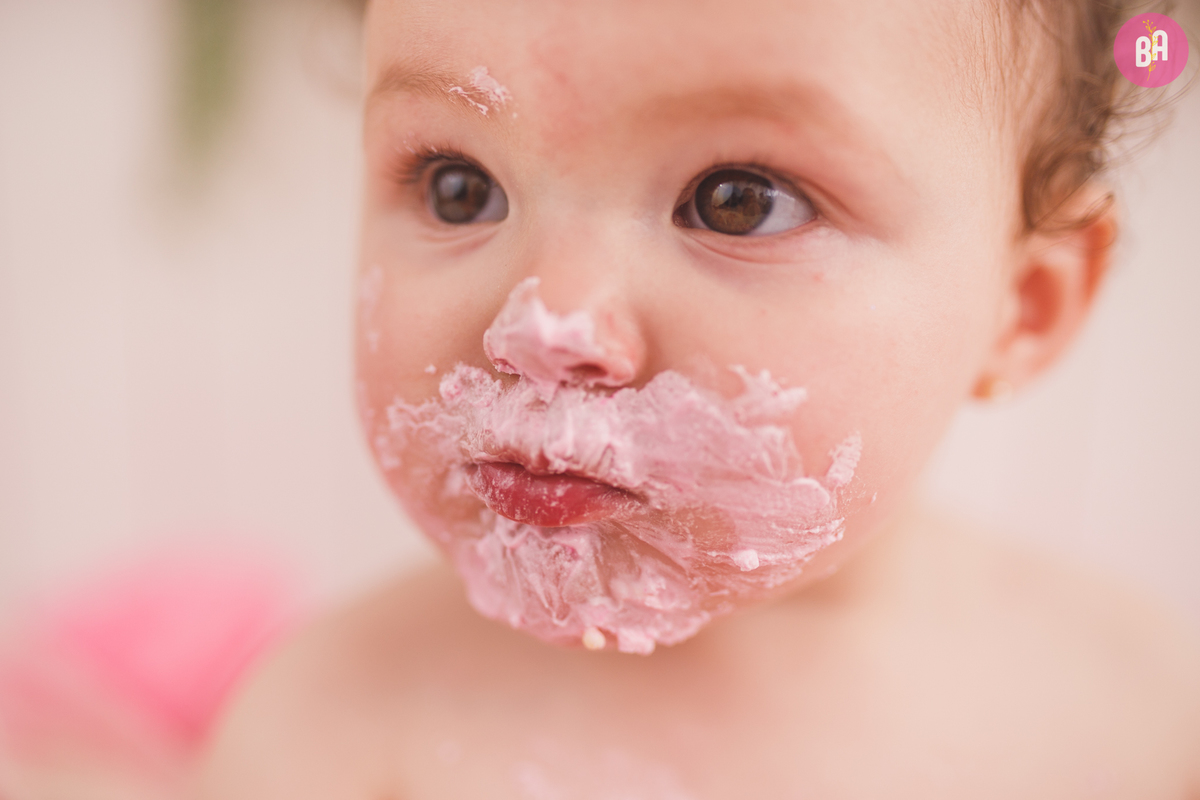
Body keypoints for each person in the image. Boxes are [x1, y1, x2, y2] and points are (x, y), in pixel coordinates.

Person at [199, 0, 1200, 796]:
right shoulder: (332, 728)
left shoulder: (1142, 712)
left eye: (739, 198)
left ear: (1021, 308)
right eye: (459, 185)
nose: (549, 324)